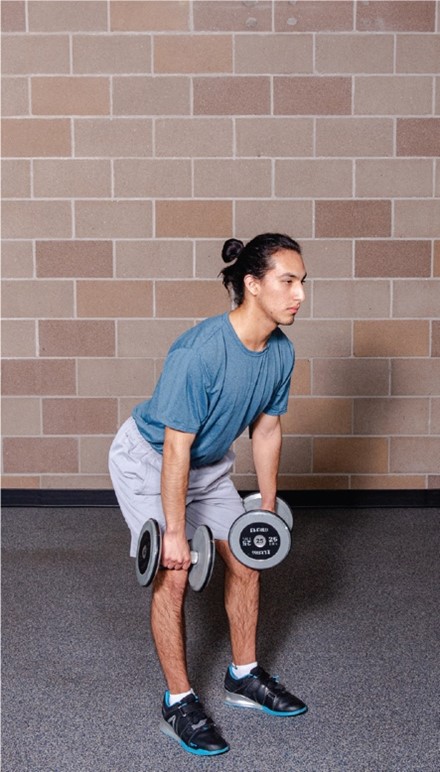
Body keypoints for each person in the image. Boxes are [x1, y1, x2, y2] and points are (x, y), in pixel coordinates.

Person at [109, 233, 308, 757]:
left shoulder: (280, 353)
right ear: (252, 284)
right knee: (173, 572)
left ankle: (243, 675)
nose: (299, 294)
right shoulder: (200, 352)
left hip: (208, 466)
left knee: (247, 556)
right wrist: (174, 533)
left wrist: (265, 505)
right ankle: (178, 702)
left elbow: (266, 430)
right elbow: (175, 448)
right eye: (288, 281)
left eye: (302, 283)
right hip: (149, 459)